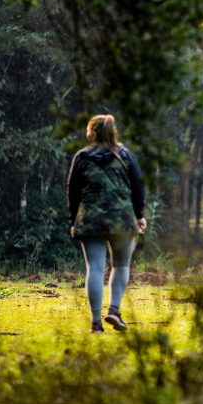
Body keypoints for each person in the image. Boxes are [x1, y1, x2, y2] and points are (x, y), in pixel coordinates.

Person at [67, 114, 146, 333]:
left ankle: (96, 323)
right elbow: (138, 187)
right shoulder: (125, 155)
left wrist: (73, 220)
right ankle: (114, 310)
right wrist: (139, 215)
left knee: (95, 268)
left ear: (92, 133)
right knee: (121, 265)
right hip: (122, 219)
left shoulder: (82, 157)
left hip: (90, 219)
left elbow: (72, 191)